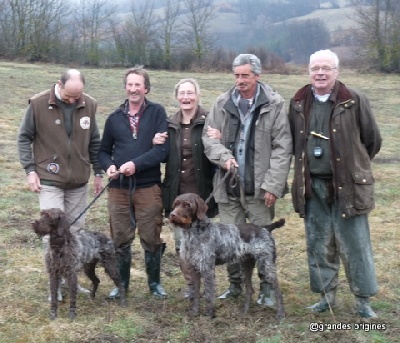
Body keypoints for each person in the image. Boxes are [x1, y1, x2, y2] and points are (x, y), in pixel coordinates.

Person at [288, 49, 382, 318]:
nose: (320, 73)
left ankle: (363, 301)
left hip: (348, 187)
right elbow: (295, 141)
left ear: (336, 72)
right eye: (315, 68)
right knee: (319, 243)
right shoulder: (297, 101)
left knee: (355, 243)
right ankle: (326, 297)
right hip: (312, 186)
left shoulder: (353, 99)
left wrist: (354, 165)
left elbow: (372, 140)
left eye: (326, 68)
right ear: (308, 71)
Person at [202, 54, 292, 306]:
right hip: (228, 188)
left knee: (262, 241)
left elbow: (282, 147)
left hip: (260, 189)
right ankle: (236, 287)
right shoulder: (221, 103)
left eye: (245, 75)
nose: (240, 80)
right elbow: (209, 140)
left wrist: (273, 185)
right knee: (230, 241)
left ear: (257, 76)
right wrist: (225, 158)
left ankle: (266, 288)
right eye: (237, 75)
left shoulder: (274, 104)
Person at [17, 69, 104, 297]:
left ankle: (69, 282)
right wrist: (30, 170)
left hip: (78, 180)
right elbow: (24, 137)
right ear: (59, 84)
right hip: (49, 177)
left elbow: (94, 140)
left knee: (73, 233)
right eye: (69, 96)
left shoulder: (90, 104)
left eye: (78, 96)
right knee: (52, 234)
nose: (73, 101)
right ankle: (54, 287)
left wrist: (98, 172)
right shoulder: (37, 104)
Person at [98, 66, 170, 299]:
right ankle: (121, 285)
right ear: (125, 87)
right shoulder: (114, 118)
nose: (133, 89)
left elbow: (162, 150)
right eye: (130, 84)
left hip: (148, 186)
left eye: (138, 84)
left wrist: (135, 165)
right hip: (118, 189)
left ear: (146, 88)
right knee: (120, 237)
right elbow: (103, 151)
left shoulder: (158, 113)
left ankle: (155, 284)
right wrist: (108, 165)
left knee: (151, 236)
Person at [153, 78, 218, 298]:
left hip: (203, 194)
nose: (186, 97)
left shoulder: (210, 120)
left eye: (190, 93)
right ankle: (191, 284)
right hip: (177, 194)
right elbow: (161, 156)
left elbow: (219, 151)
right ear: (176, 96)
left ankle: (208, 284)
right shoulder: (169, 124)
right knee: (182, 243)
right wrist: (156, 142)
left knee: (206, 242)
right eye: (182, 93)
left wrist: (221, 138)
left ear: (197, 95)